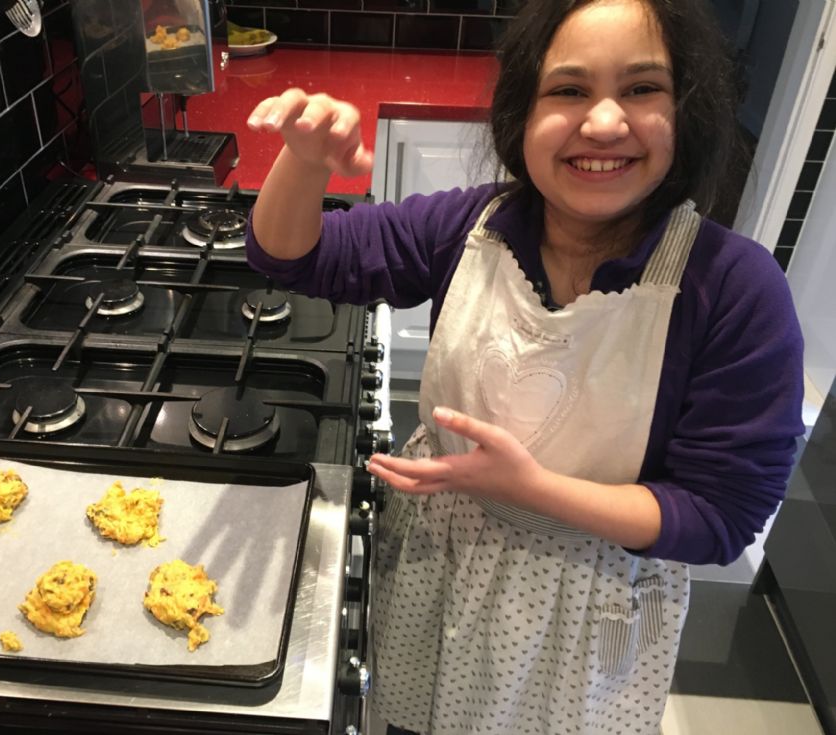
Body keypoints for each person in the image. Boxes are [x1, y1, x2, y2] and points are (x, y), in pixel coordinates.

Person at [244, 0, 805, 732]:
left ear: (687, 110)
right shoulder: (473, 225)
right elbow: (297, 256)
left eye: (641, 89)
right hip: (434, 568)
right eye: (569, 90)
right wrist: (305, 161)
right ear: (523, 113)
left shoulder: (733, 289)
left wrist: (533, 489)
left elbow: (721, 515)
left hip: (584, 604)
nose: (604, 124)